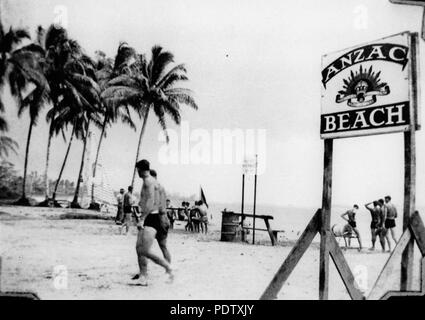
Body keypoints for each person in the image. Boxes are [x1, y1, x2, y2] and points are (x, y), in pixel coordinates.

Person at [132, 160, 173, 286]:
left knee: (143, 249)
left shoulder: (148, 182)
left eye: (137, 170)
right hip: (161, 218)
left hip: (153, 217)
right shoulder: (157, 184)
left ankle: (167, 268)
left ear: (139, 169)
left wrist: (142, 218)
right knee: (144, 248)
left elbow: (150, 202)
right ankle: (145, 275)